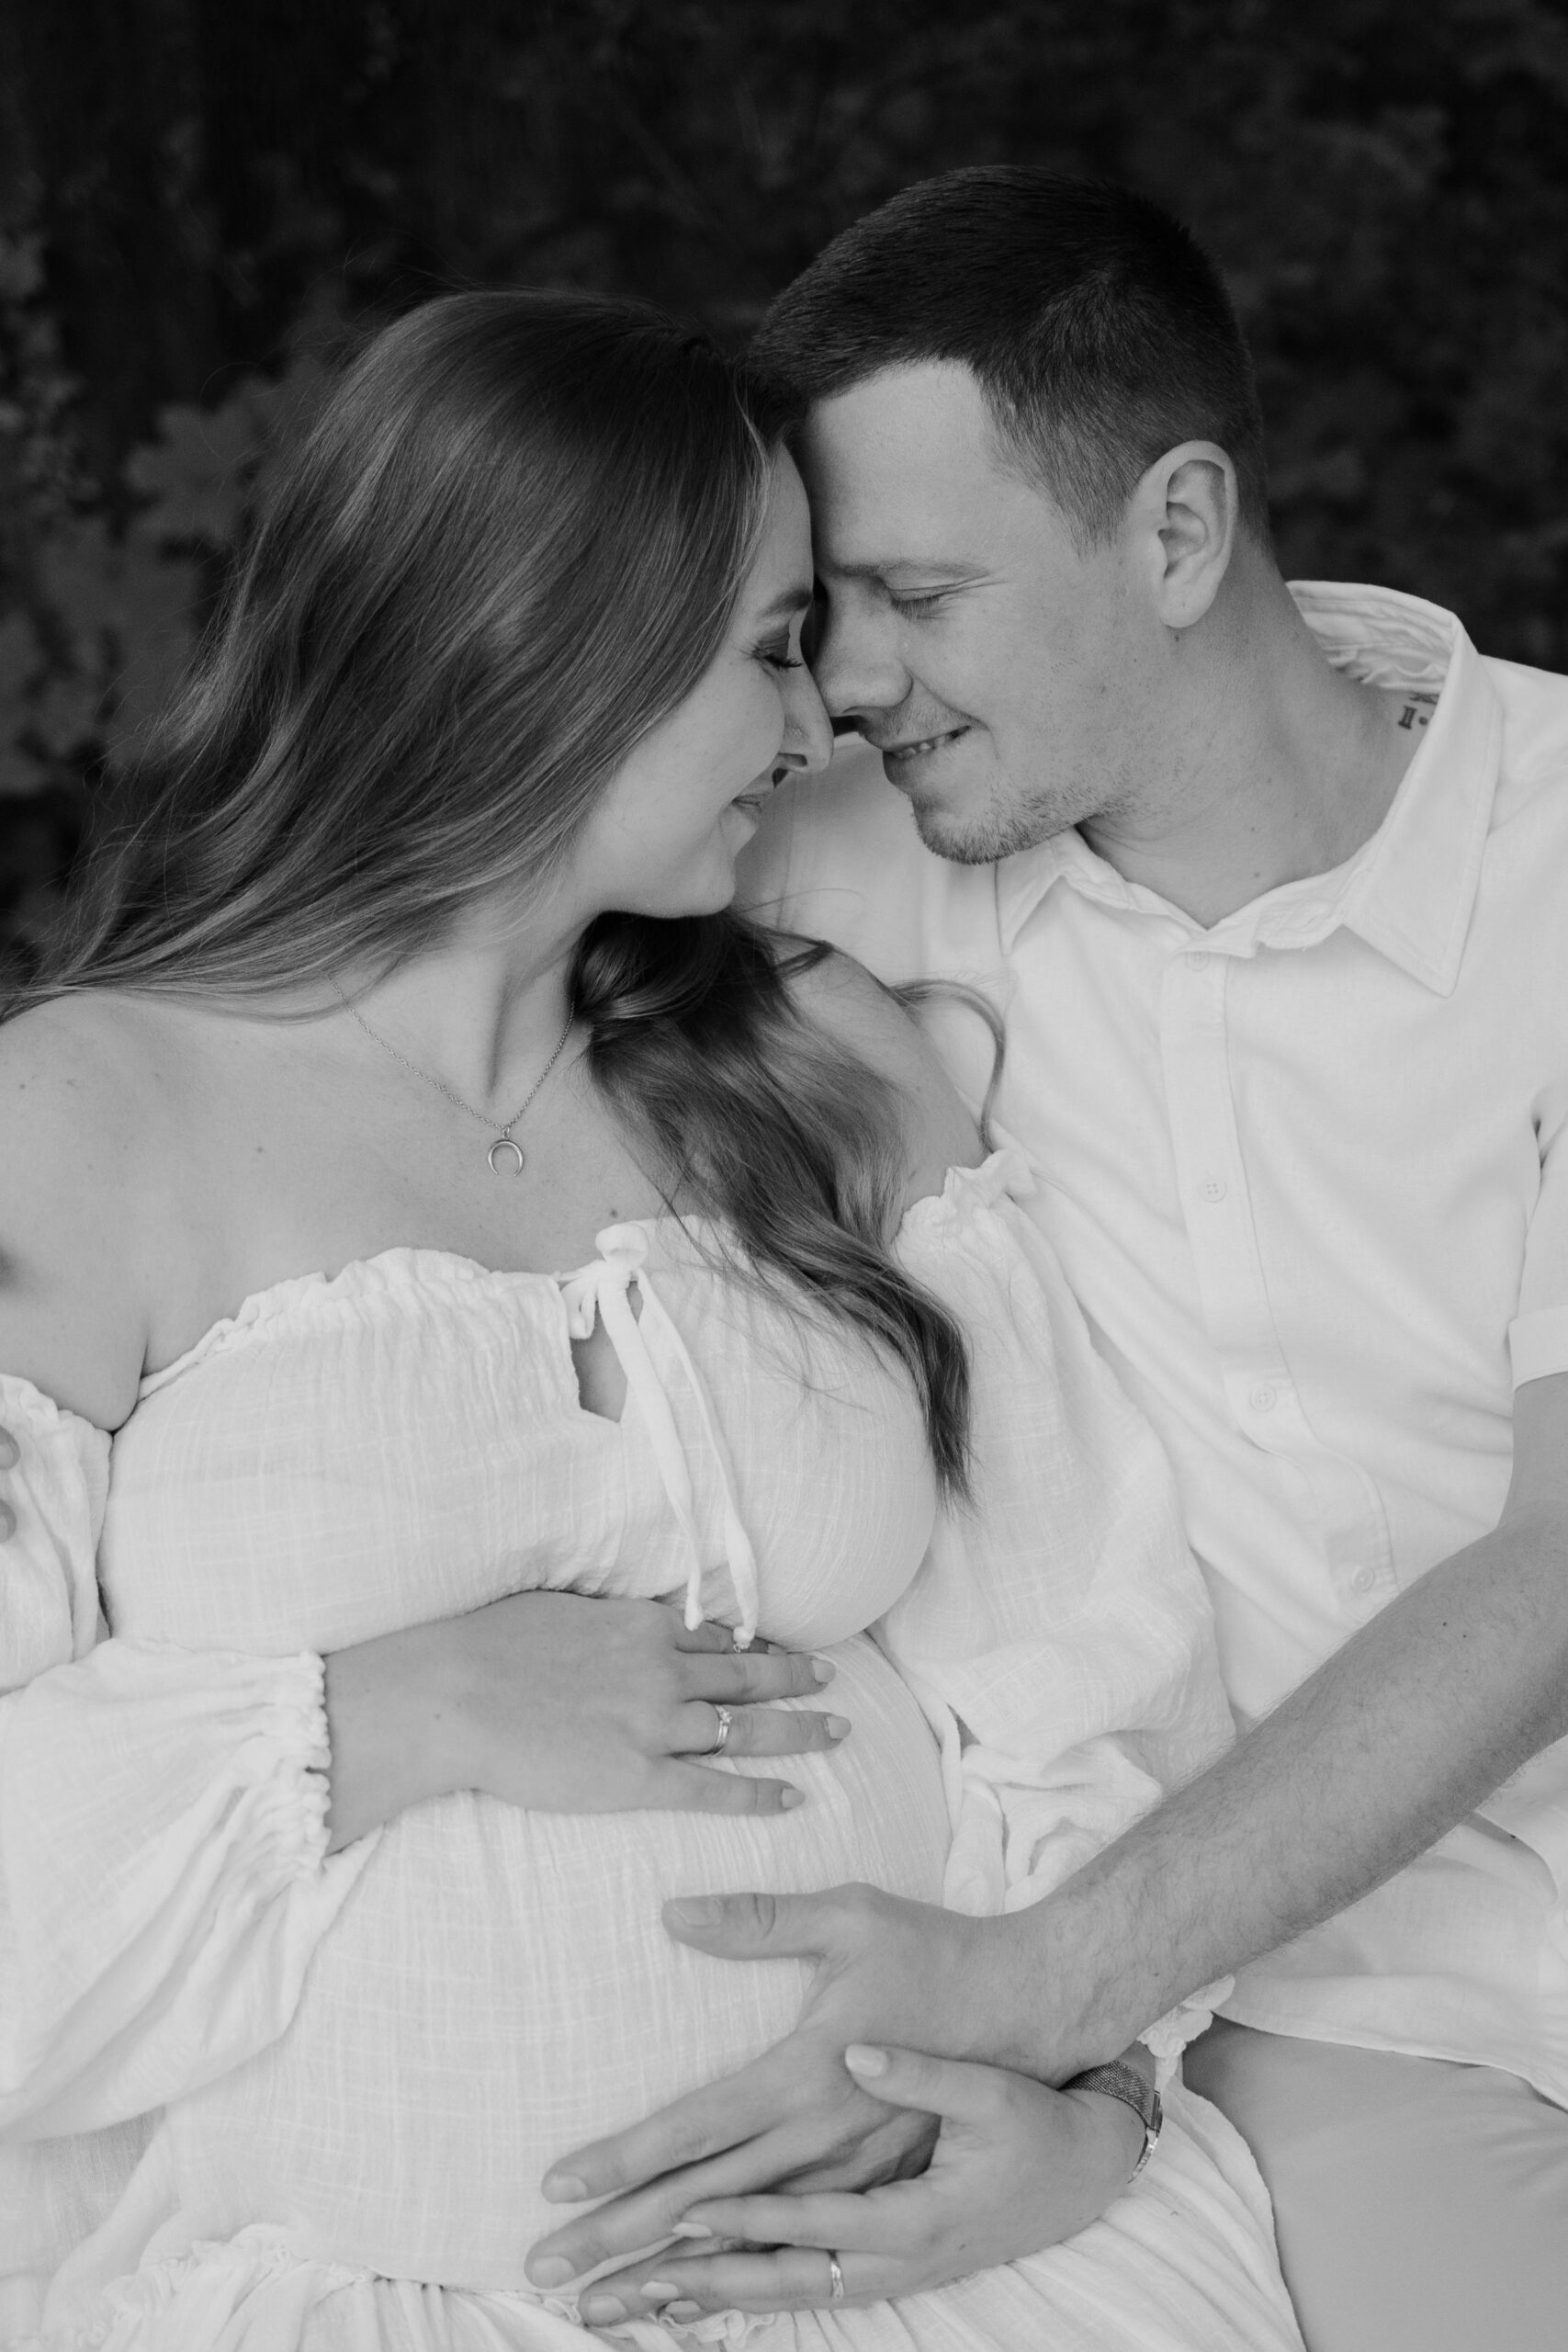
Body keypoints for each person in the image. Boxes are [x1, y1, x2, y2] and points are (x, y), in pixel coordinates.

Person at [0, 289, 1304, 2349]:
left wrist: (1092, 2096)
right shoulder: (88, 1119)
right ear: (552, 638)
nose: (814, 727)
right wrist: (388, 1711)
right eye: (772, 646)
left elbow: (1094, 1653)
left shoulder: (813, 1053)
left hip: (965, 2281)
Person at [519, 173, 1568, 2352]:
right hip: (1356, 2006)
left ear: (1173, 532)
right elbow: (407, 944)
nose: (847, 687)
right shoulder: (807, 869)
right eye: (821, 614)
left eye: (916, 594)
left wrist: (1039, 1987)